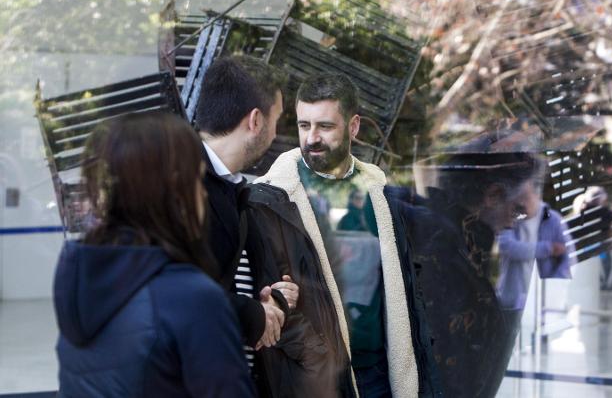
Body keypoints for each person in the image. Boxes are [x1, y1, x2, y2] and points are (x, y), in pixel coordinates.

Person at [251, 73, 441, 397]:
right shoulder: (272, 198)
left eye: (325, 126)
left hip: (381, 373)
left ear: (353, 127)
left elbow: (403, 284)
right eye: (303, 125)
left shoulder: (378, 191)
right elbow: (268, 300)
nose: (312, 138)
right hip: (316, 379)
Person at [53, 111, 254, 397]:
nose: (205, 195)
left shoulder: (78, 277)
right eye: (197, 181)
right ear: (173, 191)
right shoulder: (191, 298)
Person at [411, 131, 544, 398]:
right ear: (493, 195)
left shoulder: (453, 241)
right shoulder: (446, 253)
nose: (511, 223)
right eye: (515, 210)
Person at [194, 56, 298, 386]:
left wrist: (272, 299)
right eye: (277, 119)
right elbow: (186, 293)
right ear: (255, 120)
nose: (276, 132)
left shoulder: (226, 182)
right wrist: (256, 316)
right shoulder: (184, 184)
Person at [496, 174, 574, 311]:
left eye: (525, 197)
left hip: (544, 303)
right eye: (517, 197)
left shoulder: (554, 220)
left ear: (538, 195)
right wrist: (548, 249)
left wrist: (552, 288)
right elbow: (507, 247)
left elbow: (570, 259)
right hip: (510, 300)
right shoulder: (510, 217)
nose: (521, 203)